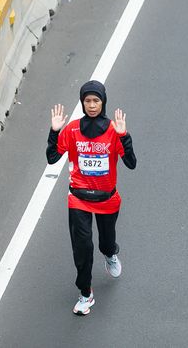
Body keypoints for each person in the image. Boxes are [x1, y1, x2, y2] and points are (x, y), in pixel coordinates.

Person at [46, 80, 137, 316]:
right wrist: (54, 131)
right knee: (82, 247)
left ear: (103, 102)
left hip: (107, 199)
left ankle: (110, 253)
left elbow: (131, 163)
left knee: (106, 241)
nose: (92, 105)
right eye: (87, 101)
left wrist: (124, 135)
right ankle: (85, 294)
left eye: (96, 100)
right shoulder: (72, 129)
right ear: (82, 103)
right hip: (79, 198)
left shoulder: (114, 130)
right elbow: (52, 158)